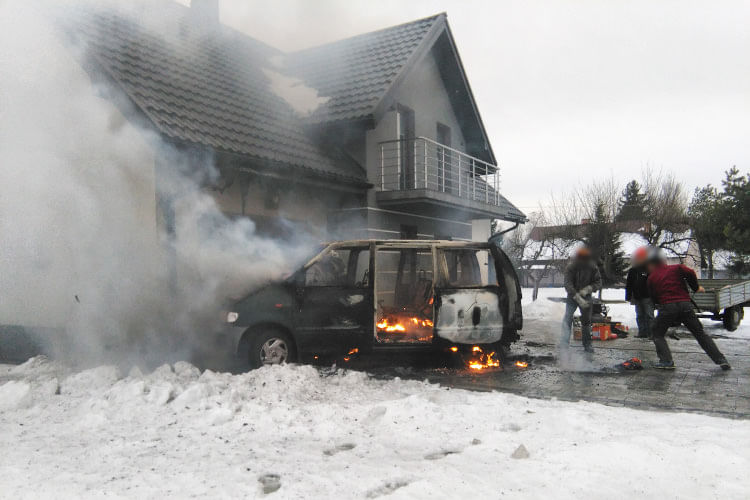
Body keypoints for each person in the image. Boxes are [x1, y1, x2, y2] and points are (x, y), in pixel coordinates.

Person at [646, 250, 730, 370]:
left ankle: (666, 361)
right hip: (686, 306)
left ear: (652, 265)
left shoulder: (652, 277)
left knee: (657, 333)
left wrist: (663, 310)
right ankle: (721, 359)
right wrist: (695, 287)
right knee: (700, 334)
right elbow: (690, 272)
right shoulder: (677, 268)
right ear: (663, 261)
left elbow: (654, 298)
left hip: (667, 307)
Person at [561, 246, 602, 353]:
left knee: (586, 321)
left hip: (586, 296)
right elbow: (567, 283)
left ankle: (587, 345)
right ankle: (564, 344)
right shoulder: (571, 267)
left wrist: (589, 288)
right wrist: (576, 295)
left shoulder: (592, 267)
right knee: (567, 319)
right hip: (572, 296)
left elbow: (598, 282)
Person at [625, 246, 654, 339]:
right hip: (637, 297)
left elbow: (654, 282)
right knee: (640, 315)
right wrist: (628, 296)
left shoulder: (649, 270)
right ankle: (642, 332)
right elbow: (629, 284)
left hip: (647, 297)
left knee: (649, 315)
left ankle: (651, 333)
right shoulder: (633, 271)